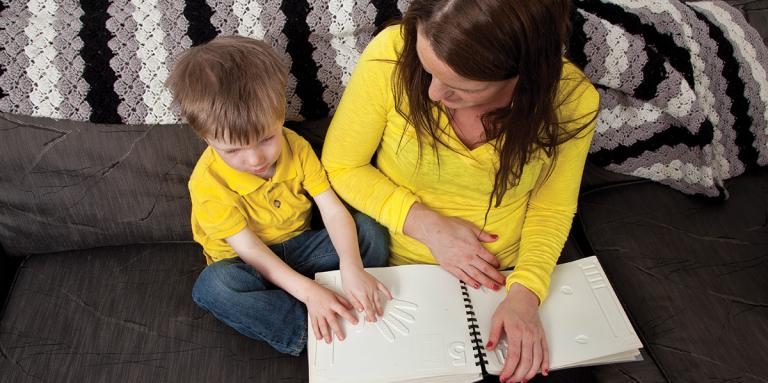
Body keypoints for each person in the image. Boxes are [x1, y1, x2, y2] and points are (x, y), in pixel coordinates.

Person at [321, 1, 598, 382]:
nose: (433, 93)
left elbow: (551, 207)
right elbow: (341, 166)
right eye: (427, 69)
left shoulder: (572, 99)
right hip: (399, 275)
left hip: (509, 277)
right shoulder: (389, 55)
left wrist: (525, 295)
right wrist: (425, 224)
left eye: (460, 87)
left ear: (524, 73)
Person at [166, 36, 392, 356]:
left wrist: (352, 265)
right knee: (213, 285)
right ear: (205, 138)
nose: (256, 159)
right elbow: (251, 251)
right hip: (248, 265)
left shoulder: (295, 146)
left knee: (369, 230)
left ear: (281, 112)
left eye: (266, 139)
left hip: (299, 248)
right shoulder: (208, 184)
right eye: (234, 150)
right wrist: (309, 291)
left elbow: (332, 210)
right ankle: (310, 333)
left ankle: (346, 295)